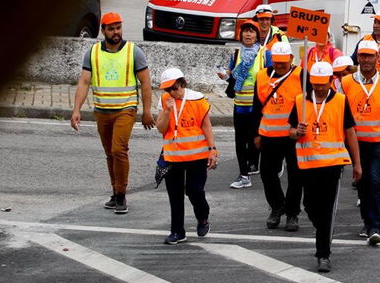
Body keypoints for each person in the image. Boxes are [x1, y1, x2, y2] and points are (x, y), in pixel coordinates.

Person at [71, 12, 154, 214]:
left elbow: (145, 83)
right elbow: (84, 82)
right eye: (111, 28)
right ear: (103, 31)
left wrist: (147, 111)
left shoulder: (134, 52)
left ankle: (121, 194)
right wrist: (76, 110)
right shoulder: (93, 53)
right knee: (110, 154)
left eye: (118, 27)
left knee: (119, 150)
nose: (116, 32)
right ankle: (115, 191)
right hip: (102, 111)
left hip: (125, 109)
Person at [290, 62, 362, 272]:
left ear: (331, 81)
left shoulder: (340, 101)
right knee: (310, 205)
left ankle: (323, 254)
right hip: (307, 162)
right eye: (315, 84)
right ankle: (322, 227)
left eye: (323, 84)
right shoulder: (300, 101)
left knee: (327, 210)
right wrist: (297, 131)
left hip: (332, 164)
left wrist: (357, 164)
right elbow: (290, 132)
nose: (319, 88)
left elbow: (350, 133)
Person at [341, 40, 380, 245]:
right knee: (362, 182)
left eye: (370, 56)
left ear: (378, 58)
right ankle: (367, 221)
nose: (366, 60)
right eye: (363, 56)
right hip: (356, 144)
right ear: (357, 58)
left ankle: (376, 226)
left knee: (376, 181)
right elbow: (337, 112)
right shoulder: (347, 83)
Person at [155, 68, 218, 245]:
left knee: (194, 190)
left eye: (174, 88)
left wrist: (212, 149)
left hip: (196, 156)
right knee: (175, 196)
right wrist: (166, 111)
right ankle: (177, 232)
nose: (172, 93)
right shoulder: (165, 100)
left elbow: (206, 126)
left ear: (182, 83)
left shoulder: (197, 99)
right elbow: (160, 128)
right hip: (172, 157)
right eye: (168, 90)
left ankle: (202, 217)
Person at [254, 41, 305, 231]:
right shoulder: (261, 76)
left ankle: (292, 213)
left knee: (295, 175)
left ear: (291, 59)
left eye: (284, 62)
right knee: (267, 173)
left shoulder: (301, 75)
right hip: (268, 134)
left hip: (293, 136)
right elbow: (256, 108)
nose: (281, 65)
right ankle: (277, 206)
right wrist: (256, 135)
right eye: (277, 62)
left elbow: (307, 104)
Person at [221, 20, 265, 189]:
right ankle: (244, 174)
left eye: (251, 31)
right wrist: (225, 76)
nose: (248, 35)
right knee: (239, 141)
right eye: (245, 31)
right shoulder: (236, 53)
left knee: (255, 139)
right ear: (240, 35)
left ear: (256, 35)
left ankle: (260, 164)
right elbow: (231, 76)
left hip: (257, 105)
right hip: (239, 103)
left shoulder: (263, 54)